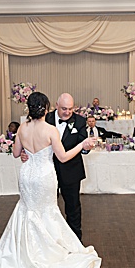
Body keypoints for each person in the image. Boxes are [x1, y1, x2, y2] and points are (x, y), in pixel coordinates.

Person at [0, 92, 100, 268]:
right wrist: (82, 145)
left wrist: (24, 152)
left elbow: (14, 153)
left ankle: (25, 253)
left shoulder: (22, 127)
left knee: (27, 210)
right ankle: (49, 251)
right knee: (48, 211)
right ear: (49, 108)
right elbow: (63, 157)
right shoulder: (50, 129)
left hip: (27, 176)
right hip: (45, 176)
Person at [28, 93, 90, 242]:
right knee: (47, 207)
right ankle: (48, 241)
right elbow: (32, 137)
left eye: (70, 109)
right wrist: (26, 153)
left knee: (73, 208)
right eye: (63, 108)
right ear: (56, 106)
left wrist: (86, 147)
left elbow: (83, 145)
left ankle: (75, 241)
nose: (67, 112)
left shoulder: (80, 121)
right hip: (48, 172)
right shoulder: (45, 118)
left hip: (71, 171)